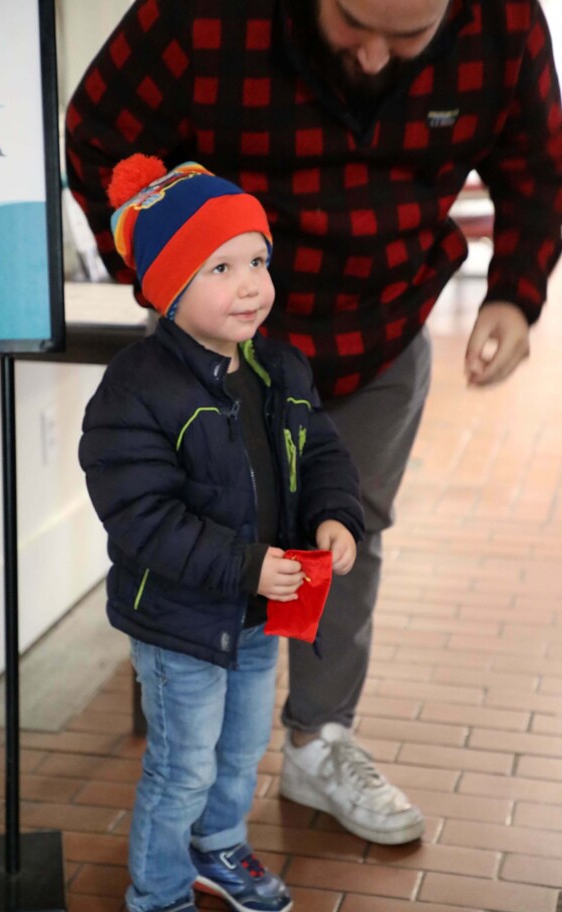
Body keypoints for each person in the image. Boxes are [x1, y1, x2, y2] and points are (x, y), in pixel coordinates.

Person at [66, 0, 562, 846]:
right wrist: (164, 268)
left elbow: (538, 164)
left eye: (407, 40)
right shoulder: (199, 15)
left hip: (381, 326)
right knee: (207, 527)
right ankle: (197, 727)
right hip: (215, 342)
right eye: (353, 27)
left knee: (347, 528)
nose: (374, 60)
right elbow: (98, 131)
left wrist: (517, 288)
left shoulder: (505, 22)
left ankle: (319, 740)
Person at [79, 153, 365, 912]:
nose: (250, 285)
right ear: (168, 287)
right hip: (180, 622)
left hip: (259, 612)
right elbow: (141, 515)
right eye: (220, 267)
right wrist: (243, 565)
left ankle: (218, 846)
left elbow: (323, 451)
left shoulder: (279, 368)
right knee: (183, 766)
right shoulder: (137, 390)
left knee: (241, 752)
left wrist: (336, 513)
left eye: (258, 261)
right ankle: (161, 892)